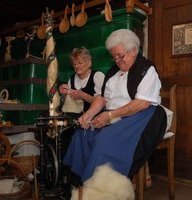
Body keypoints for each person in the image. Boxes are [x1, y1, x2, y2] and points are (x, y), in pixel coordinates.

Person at [63, 29, 167, 186]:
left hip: (141, 115)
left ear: (133, 51)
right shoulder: (113, 72)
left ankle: (104, 189)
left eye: (120, 55)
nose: (116, 60)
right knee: (81, 134)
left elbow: (142, 103)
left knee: (105, 140)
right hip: (115, 113)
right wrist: (89, 114)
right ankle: (81, 185)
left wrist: (110, 116)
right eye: (114, 56)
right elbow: (101, 98)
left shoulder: (146, 68)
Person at [58, 47, 104, 187]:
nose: (77, 66)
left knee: (75, 132)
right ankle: (65, 174)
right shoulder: (72, 79)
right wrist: (64, 93)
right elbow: (68, 105)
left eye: (80, 63)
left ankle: (77, 175)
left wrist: (82, 95)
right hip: (76, 116)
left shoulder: (97, 76)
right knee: (63, 132)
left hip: (95, 116)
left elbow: (102, 102)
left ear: (89, 63)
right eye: (74, 64)